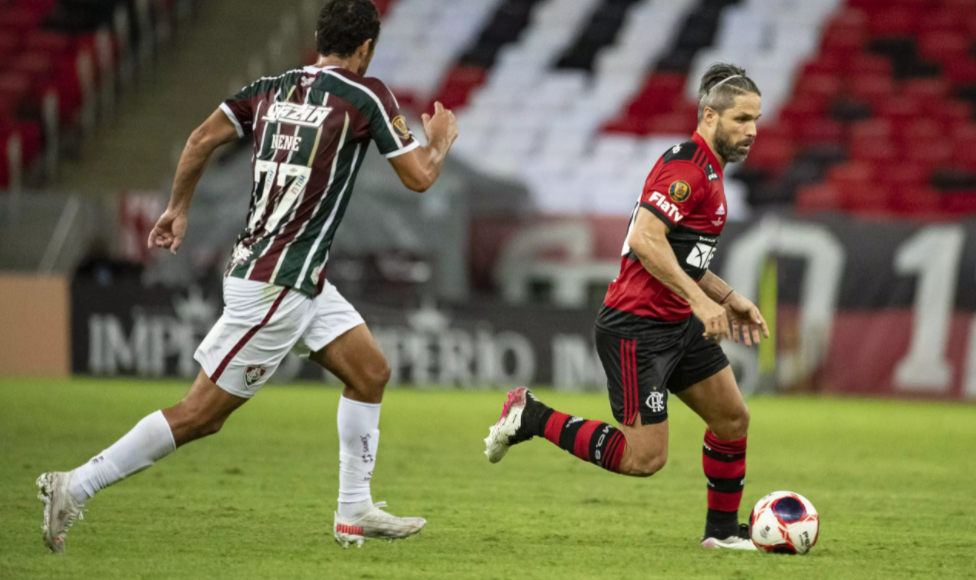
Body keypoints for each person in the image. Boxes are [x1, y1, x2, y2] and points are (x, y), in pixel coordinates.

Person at [37, 0, 458, 553]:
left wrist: (178, 208)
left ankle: (354, 508)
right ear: (365, 48)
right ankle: (76, 484)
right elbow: (420, 177)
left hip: (289, 276)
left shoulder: (272, 86)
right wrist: (442, 139)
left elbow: (199, 139)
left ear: (316, 36)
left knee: (370, 373)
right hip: (278, 287)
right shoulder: (366, 94)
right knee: (200, 416)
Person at [484, 63, 767, 550]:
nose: (752, 131)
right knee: (644, 458)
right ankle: (532, 416)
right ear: (709, 116)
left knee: (732, 418)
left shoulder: (709, 171)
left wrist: (728, 296)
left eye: (756, 120)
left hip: (677, 322)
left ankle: (720, 534)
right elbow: (644, 238)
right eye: (741, 119)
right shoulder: (686, 170)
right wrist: (702, 302)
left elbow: (682, 256)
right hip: (637, 329)